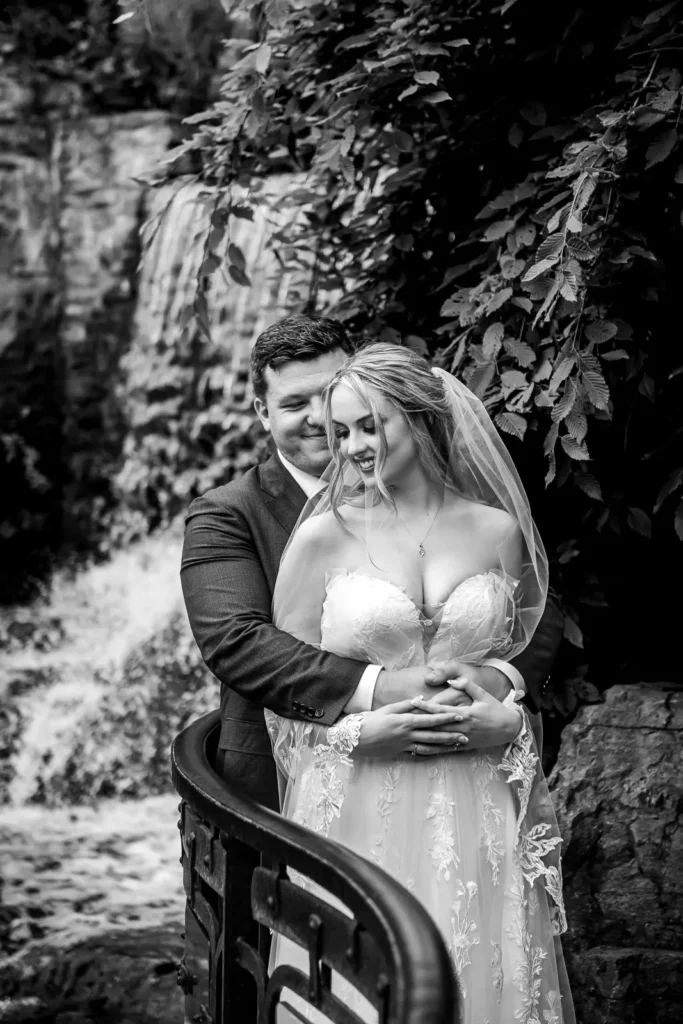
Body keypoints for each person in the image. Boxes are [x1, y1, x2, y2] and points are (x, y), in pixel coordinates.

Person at [266, 343, 575, 1024]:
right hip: (357, 795)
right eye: (340, 430)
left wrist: (513, 721)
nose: (351, 447)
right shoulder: (322, 539)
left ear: (423, 418)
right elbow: (285, 697)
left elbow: (520, 662)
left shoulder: (497, 531)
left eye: (370, 426)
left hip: (479, 795)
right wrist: (353, 736)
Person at [180, 316, 563, 813]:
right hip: (294, 785)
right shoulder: (226, 513)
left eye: (336, 398)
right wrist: (375, 694)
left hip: (473, 780)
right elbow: (238, 642)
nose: (322, 420)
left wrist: (499, 683)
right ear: (262, 412)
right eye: (297, 404)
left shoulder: (475, 509)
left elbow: (537, 604)